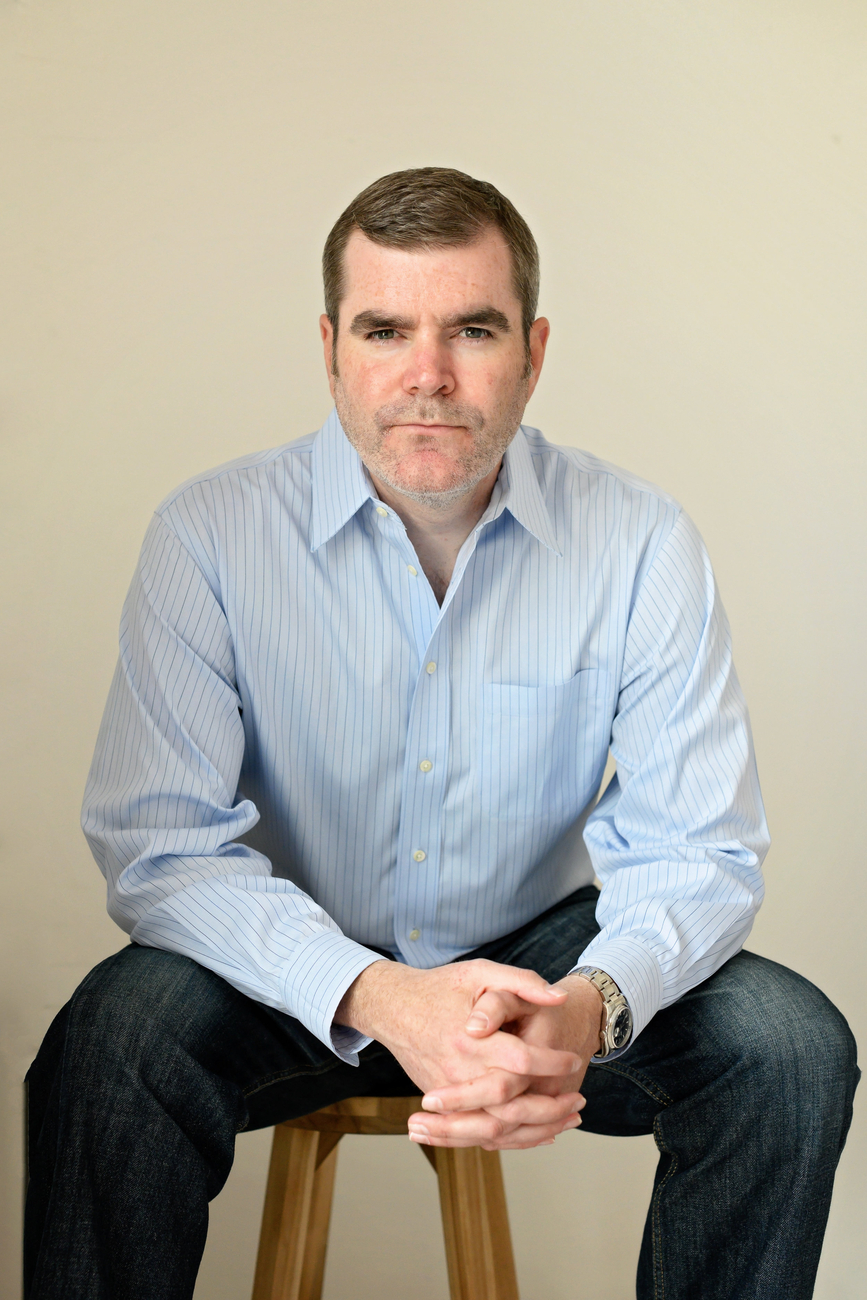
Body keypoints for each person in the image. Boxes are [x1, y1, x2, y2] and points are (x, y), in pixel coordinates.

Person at [25, 167, 857, 1300]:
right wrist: (377, 992)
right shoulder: (210, 535)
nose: (428, 374)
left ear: (533, 351)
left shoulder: (639, 541)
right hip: (284, 966)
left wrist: (588, 1005)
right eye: (384, 330)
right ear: (331, 350)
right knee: (111, 1043)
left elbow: (698, 846)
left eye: (472, 329)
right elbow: (161, 846)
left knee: (787, 1048)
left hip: (536, 964)